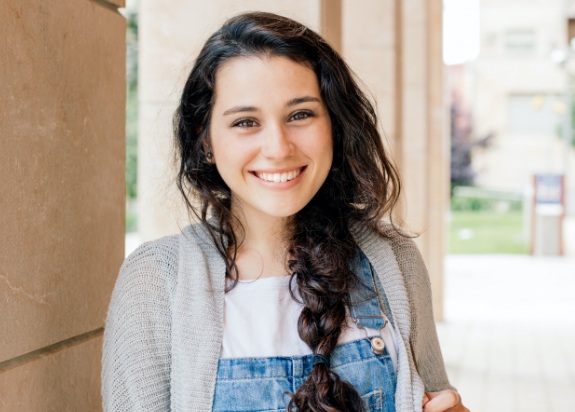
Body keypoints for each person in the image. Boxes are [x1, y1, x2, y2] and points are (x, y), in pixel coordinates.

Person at [102, 11, 469, 412]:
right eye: (245, 122)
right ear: (205, 140)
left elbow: (437, 395)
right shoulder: (156, 282)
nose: (278, 147)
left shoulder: (393, 261)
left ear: (334, 123)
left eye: (300, 115)